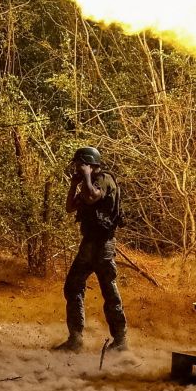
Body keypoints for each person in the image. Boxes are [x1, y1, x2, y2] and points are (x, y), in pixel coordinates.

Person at [54, 146, 127, 352]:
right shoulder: (88, 183)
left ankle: (120, 341)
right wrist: (73, 185)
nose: (76, 168)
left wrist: (86, 177)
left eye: (80, 164)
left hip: (103, 245)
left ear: (89, 164)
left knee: (109, 292)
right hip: (88, 244)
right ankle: (75, 339)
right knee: (72, 287)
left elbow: (92, 197)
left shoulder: (103, 180)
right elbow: (70, 207)